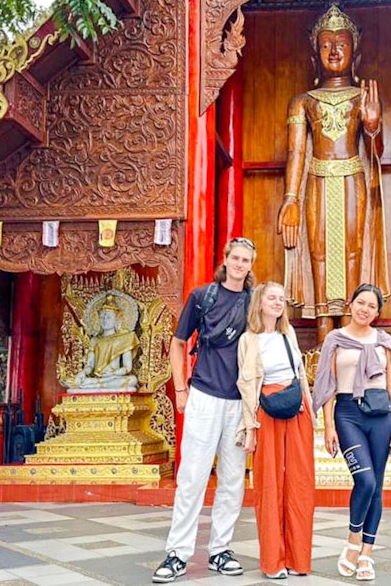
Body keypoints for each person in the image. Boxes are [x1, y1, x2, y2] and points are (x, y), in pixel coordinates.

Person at [278, 3, 389, 340]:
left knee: (353, 252)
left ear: (354, 53)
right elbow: (296, 151)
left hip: (353, 177)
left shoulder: (361, 97)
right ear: (315, 55)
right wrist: (291, 199)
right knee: (319, 254)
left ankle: (351, 334)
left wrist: (372, 126)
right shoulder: (303, 101)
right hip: (317, 180)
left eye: (341, 43)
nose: (334, 51)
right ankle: (325, 336)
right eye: (326, 45)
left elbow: (376, 153)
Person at [153, 238, 256, 584]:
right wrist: (180, 388)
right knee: (192, 476)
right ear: (225, 261)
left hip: (239, 401)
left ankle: (220, 549)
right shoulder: (203, 297)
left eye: (246, 260)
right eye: (236, 258)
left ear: (251, 265)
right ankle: (177, 553)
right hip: (204, 394)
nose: (240, 264)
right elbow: (178, 343)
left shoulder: (252, 302)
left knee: (232, 479)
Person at [312, 283, 391, 581]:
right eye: (360, 303)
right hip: (347, 413)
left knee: (377, 485)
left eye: (372, 306)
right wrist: (328, 425)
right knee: (364, 479)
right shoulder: (335, 339)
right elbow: (327, 383)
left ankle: (367, 552)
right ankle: (353, 541)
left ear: (377, 312)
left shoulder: (384, 341)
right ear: (351, 304)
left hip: (380, 416)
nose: (365, 309)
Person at [236, 282, 315, 579]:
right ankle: (273, 561)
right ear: (259, 302)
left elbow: (300, 376)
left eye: (281, 299)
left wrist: (310, 411)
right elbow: (246, 386)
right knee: (269, 484)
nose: (278, 303)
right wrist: (250, 428)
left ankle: (299, 559)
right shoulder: (249, 339)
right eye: (272, 298)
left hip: (297, 409)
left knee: (300, 482)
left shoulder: (288, 333)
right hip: (265, 409)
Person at [74, 294, 139, 392]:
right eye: (102, 317)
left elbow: (127, 367)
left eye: (108, 317)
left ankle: (93, 385)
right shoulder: (95, 340)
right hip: (98, 377)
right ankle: (94, 384)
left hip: (114, 377)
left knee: (132, 380)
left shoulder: (123, 338)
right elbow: (90, 365)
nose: (105, 320)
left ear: (116, 320)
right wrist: (83, 372)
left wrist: (113, 374)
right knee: (77, 381)